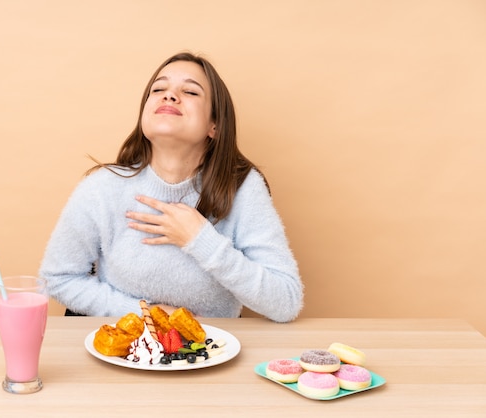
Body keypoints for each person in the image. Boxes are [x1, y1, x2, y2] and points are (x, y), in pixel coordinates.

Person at [39, 52, 303, 322]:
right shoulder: (102, 188)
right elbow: (58, 278)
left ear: (215, 125)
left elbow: (286, 302)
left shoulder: (243, 189)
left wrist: (200, 239)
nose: (170, 95)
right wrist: (147, 315)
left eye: (190, 91)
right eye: (158, 88)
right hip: (124, 352)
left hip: (210, 353)